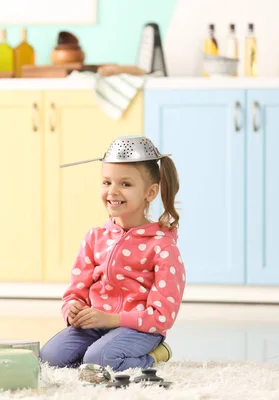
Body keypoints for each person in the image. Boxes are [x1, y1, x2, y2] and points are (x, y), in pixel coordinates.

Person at [40, 136, 185, 372]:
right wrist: (73, 309)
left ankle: (156, 355)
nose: (112, 191)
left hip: (139, 329)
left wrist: (112, 320)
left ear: (150, 192)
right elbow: (75, 293)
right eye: (106, 182)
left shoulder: (163, 247)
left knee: (100, 359)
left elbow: (162, 316)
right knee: (49, 358)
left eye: (125, 184)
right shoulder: (94, 238)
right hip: (94, 325)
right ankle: (99, 352)